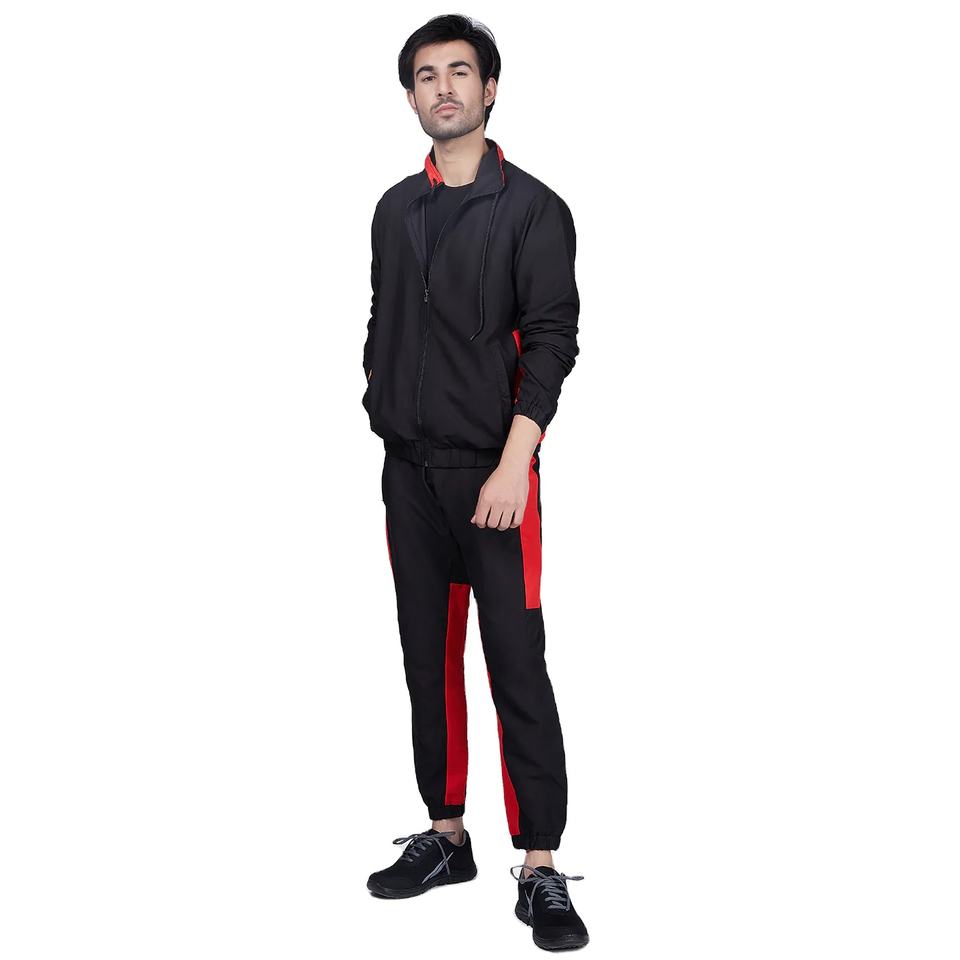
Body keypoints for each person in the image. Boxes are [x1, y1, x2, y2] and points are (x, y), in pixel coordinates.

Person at [361, 15, 588, 951]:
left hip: (494, 478)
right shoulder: (393, 209)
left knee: (516, 664)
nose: (444, 87)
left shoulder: (533, 209)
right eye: (427, 75)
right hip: (407, 475)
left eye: (460, 72)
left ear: (490, 90)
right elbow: (382, 315)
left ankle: (540, 866)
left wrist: (515, 460)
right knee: (427, 659)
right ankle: (446, 836)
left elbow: (553, 341)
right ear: (411, 95)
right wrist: (376, 396)